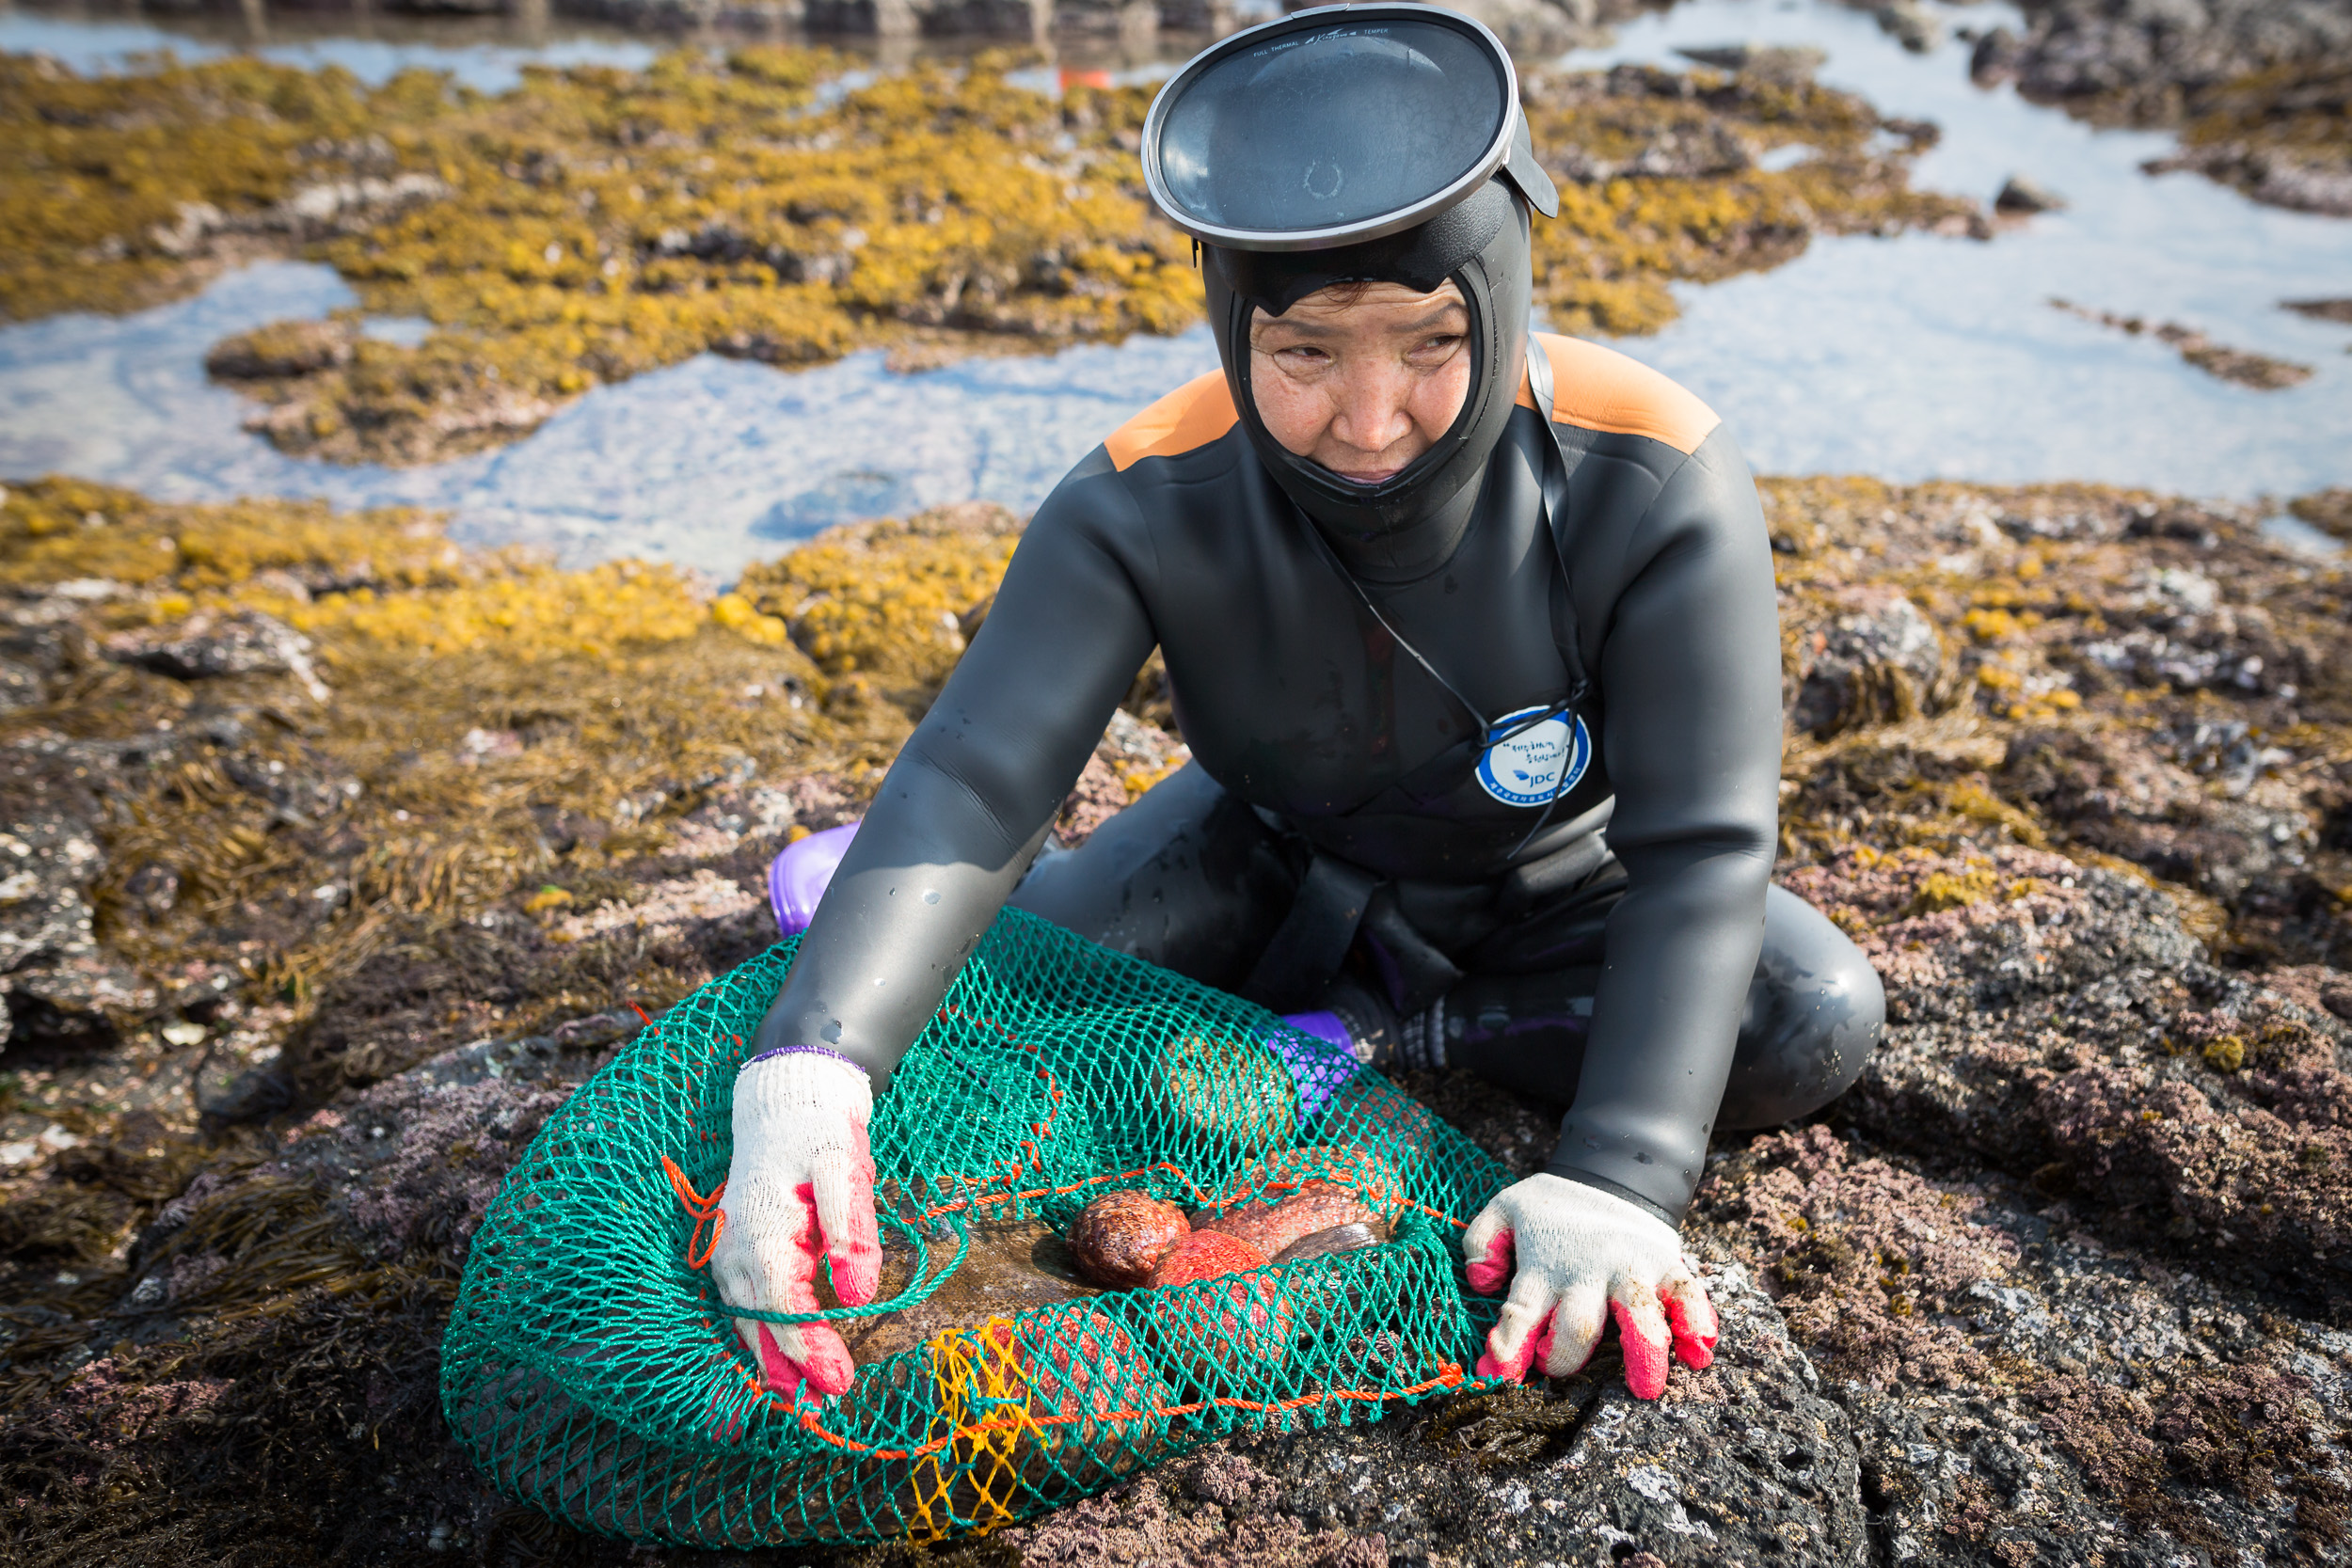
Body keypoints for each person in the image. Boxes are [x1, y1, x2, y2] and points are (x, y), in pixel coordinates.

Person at [707, 5, 1884, 1407]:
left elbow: (1706, 846)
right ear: (1230, 317)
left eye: (1431, 344)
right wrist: (811, 1068)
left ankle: (1376, 1031)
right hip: (1269, 849)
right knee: (1002, 1001)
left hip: (1569, 881)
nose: (1371, 416)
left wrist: (1624, 1172)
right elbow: (975, 781)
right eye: (1308, 354)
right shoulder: (1145, 496)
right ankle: (904, 896)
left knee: (1809, 1013)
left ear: (1502, 298)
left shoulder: (1652, 471)